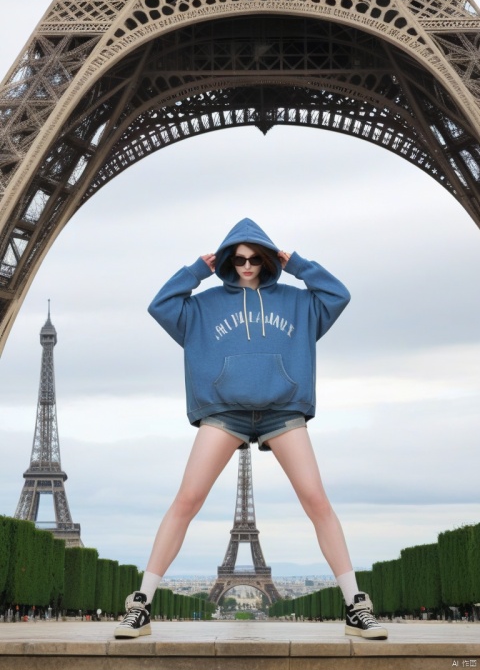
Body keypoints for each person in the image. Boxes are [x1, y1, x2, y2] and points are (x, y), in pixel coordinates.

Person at [114, 218, 387, 640]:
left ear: (267, 258)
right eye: (237, 258)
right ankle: (141, 604)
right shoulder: (202, 307)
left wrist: (297, 264)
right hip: (225, 410)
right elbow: (160, 305)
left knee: (317, 501)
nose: (246, 265)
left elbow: (339, 294)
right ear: (226, 259)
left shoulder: (299, 303)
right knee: (187, 500)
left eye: (254, 258)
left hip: (281, 408)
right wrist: (195, 271)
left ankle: (355, 605)